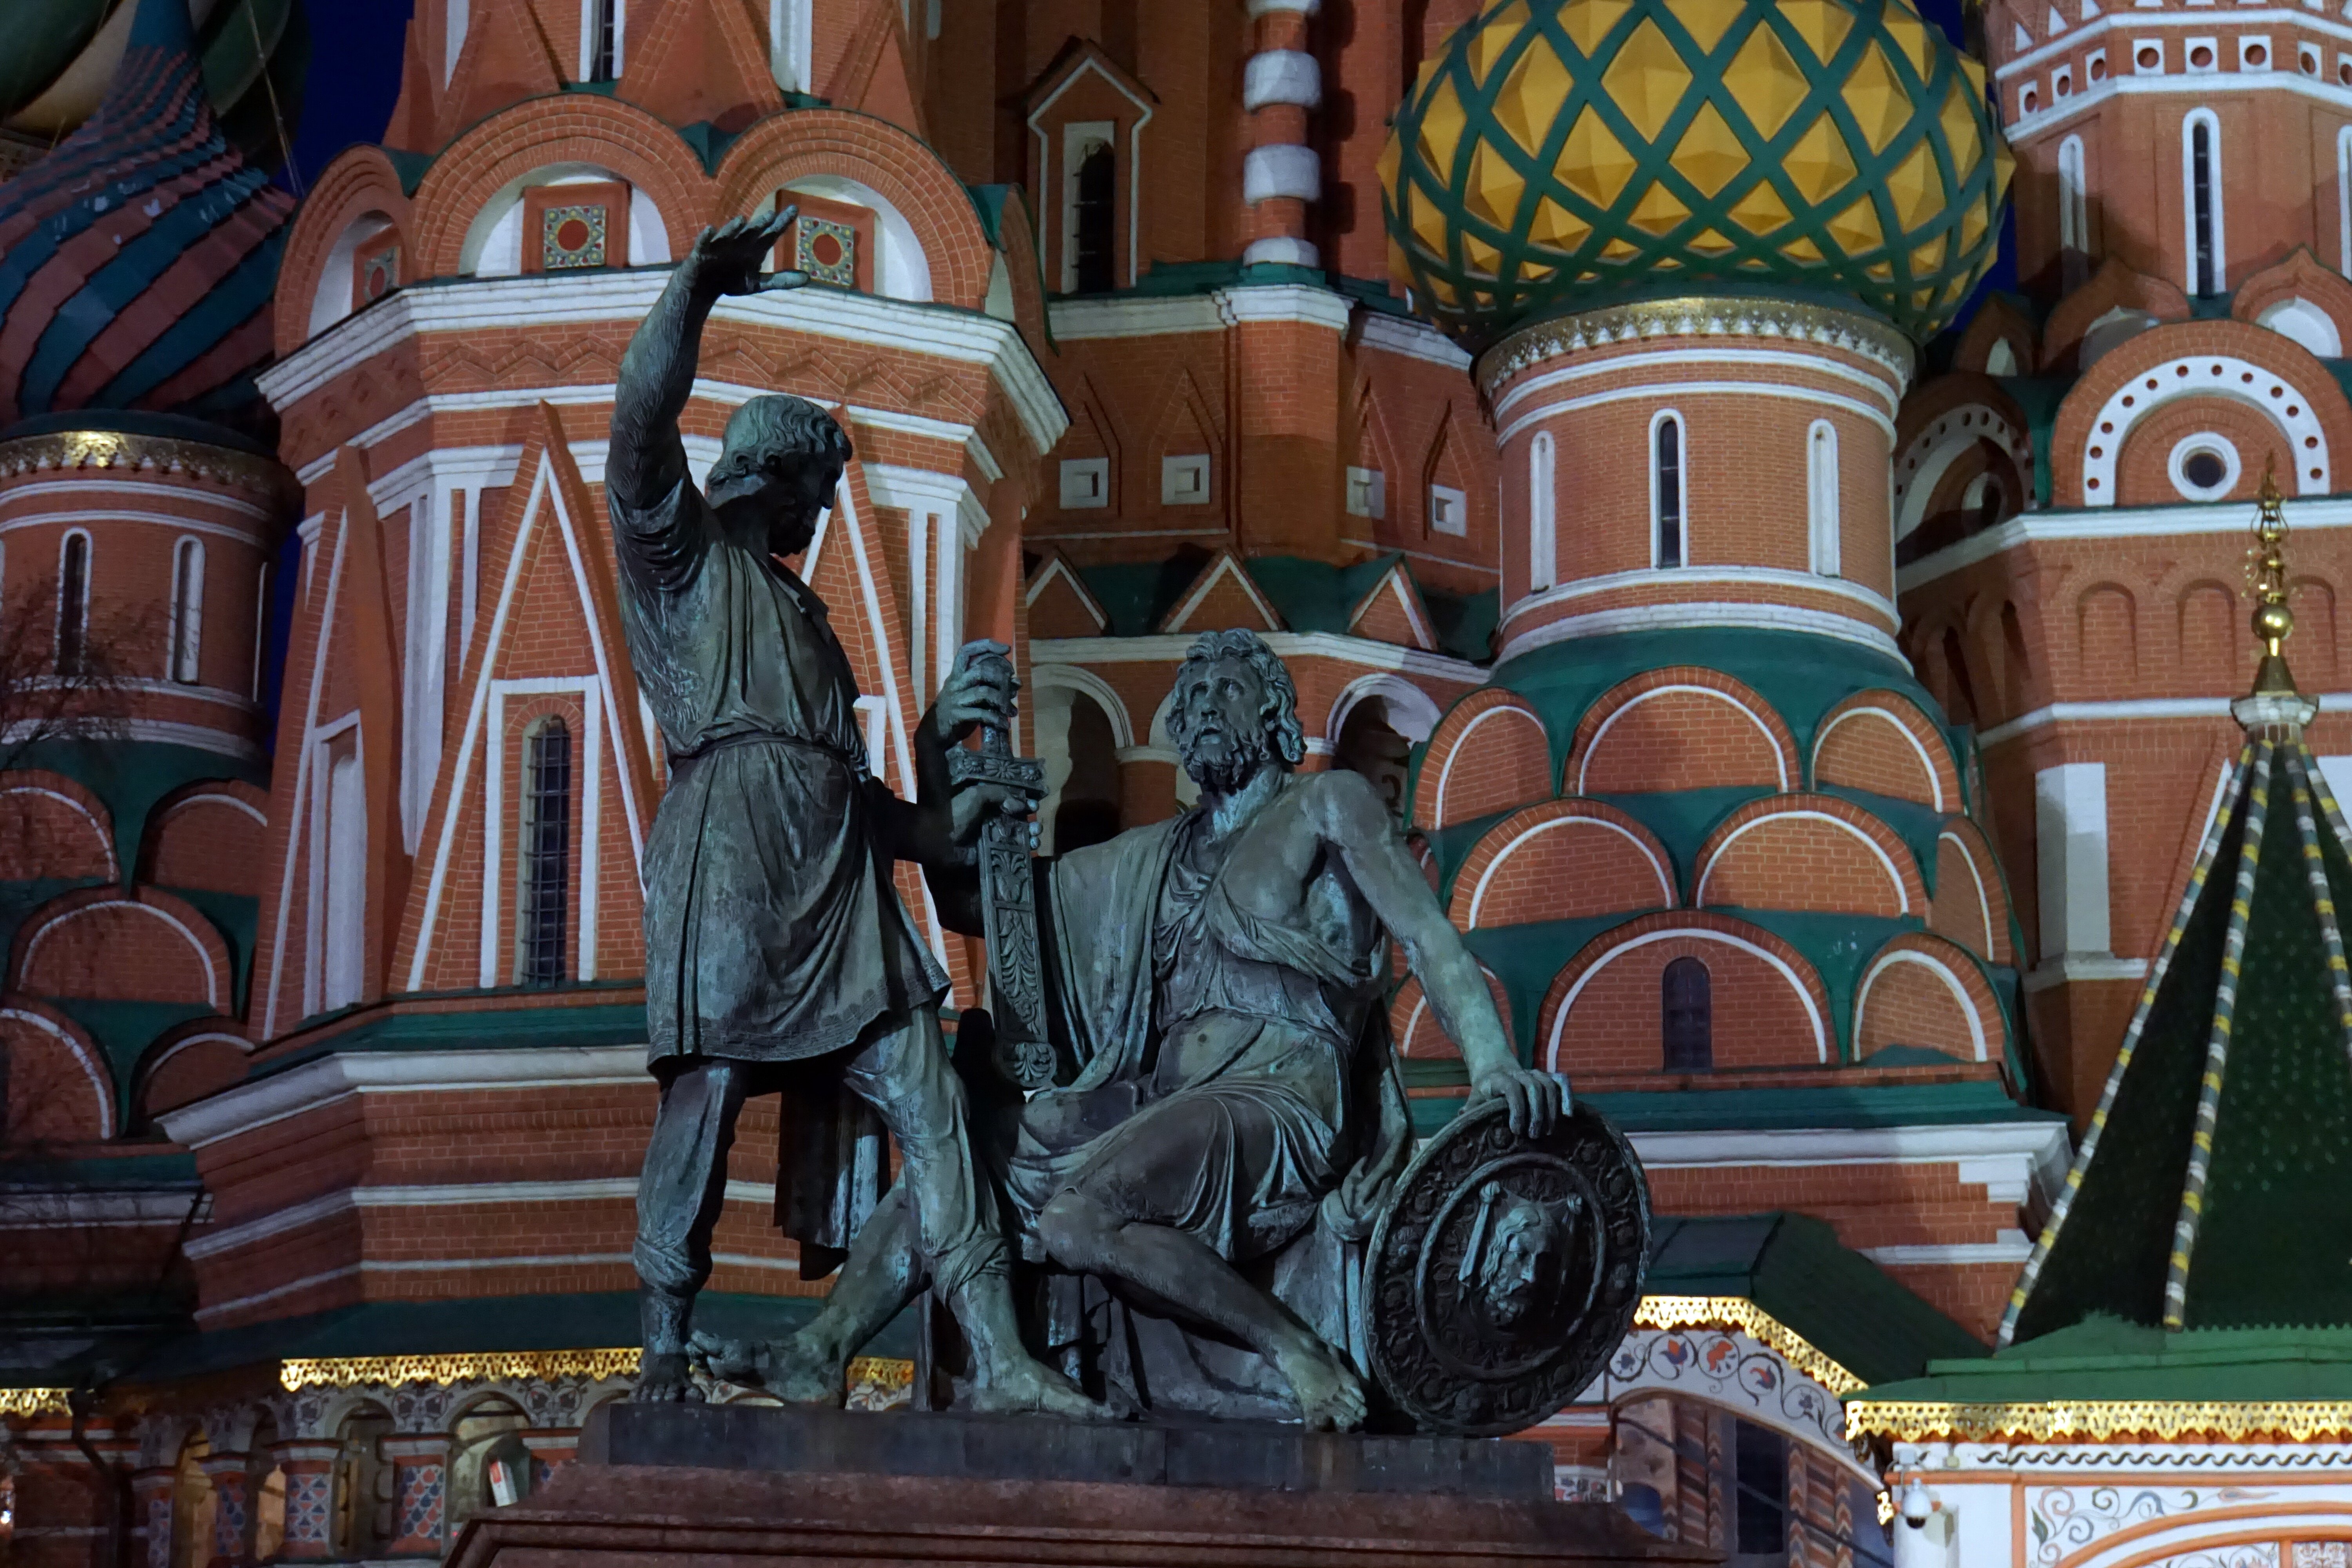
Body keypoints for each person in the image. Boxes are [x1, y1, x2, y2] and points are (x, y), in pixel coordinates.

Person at [709, 628, 1563, 1429]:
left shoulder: (1326, 805)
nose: (1197, 706)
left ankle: (1295, 1349)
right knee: (961, 1155)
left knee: (1080, 1219)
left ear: (1273, 716)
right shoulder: (1152, 856)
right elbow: (987, 906)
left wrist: (1493, 1067)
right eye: (1187, 695)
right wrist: (939, 757)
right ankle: (822, 1349)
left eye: (1224, 687)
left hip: (1280, 1097)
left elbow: (1427, 934)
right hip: (1159, 1100)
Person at [608, 209, 1091, 1414]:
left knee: (930, 1098)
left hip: (833, 876)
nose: (821, 522)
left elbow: (863, 800)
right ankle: (664, 1343)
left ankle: (1001, 1356)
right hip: (733, 864)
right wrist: (698, 290)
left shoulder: (801, 617)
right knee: (706, 1098)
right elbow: (636, 421)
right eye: (816, 497)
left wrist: (948, 793)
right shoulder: (682, 559)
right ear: (773, 479)